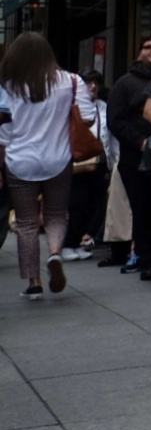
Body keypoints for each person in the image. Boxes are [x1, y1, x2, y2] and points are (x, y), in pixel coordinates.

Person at [0, 34, 92, 299]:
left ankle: (34, 283)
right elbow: (87, 118)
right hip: (59, 158)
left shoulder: (8, 86)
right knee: (56, 214)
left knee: (26, 222)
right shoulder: (71, 81)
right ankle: (54, 252)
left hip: (19, 161)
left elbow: (4, 131)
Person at [108, 33, 151, 279]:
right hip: (136, 158)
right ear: (140, 51)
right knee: (144, 212)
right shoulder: (125, 83)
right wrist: (141, 143)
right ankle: (150, 261)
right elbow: (115, 121)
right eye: (149, 47)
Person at [72, 70, 117, 265]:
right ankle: (72, 240)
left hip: (100, 160)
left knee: (97, 200)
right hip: (78, 159)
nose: (93, 87)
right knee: (77, 200)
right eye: (88, 83)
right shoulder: (73, 106)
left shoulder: (104, 107)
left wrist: (114, 161)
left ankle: (85, 236)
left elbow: (111, 135)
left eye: (96, 83)